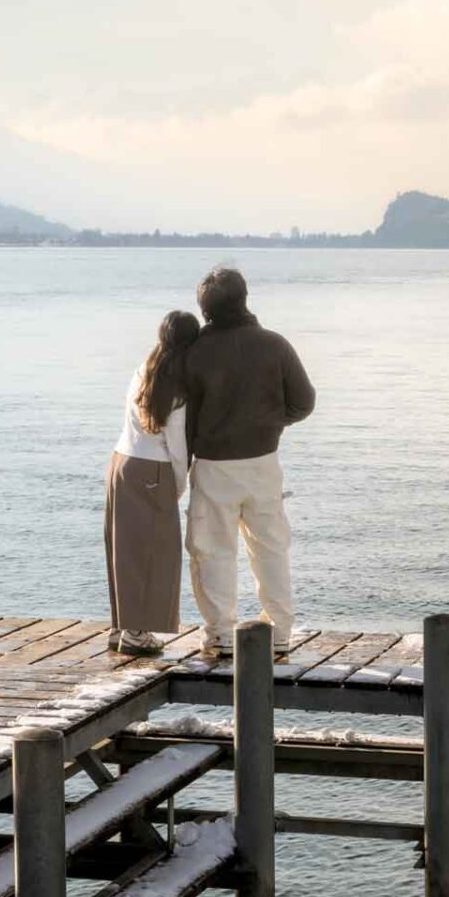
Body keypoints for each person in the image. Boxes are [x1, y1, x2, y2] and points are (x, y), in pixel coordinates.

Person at [183, 267, 315, 657]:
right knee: (270, 546)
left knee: (212, 550)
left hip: (212, 464)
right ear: (244, 300)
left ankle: (221, 633)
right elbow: (304, 402)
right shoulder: (275, 345)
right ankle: (278, 631)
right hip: (263, 460)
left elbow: (184, 416)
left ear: (205, 310)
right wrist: (272, 422)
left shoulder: (196, 352)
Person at [104, 310, 200, 654]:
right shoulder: (178, 389)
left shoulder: (144, 369)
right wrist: (178, 487)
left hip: (120, 462)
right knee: (154, 554)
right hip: (152, 471)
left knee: (124, 550)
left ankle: (121, 627)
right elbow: (177, 450)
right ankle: (136, 633)